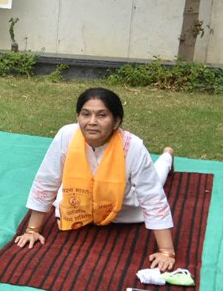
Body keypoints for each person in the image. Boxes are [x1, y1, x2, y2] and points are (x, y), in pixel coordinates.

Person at [14, 88, 177, 271]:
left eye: (101, 115)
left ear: (116, 122)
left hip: (122, 208)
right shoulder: (67, 135)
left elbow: (151, 196)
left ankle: (167, 157)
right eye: (86, 114)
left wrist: (166, 251)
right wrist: (32, 230)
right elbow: (47, 179)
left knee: (157, 177)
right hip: (76, 205)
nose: (92, 122)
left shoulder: (133, 146)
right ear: (77, 117)